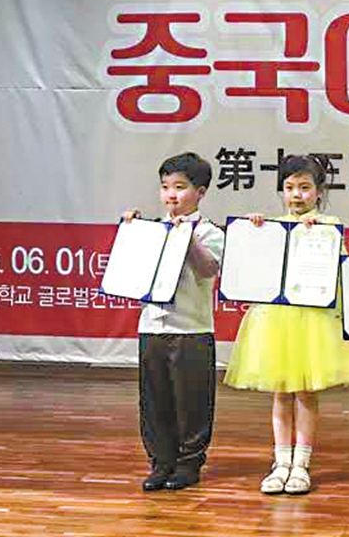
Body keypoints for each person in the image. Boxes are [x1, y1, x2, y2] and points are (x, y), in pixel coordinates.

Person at [223, 154, 349, 495]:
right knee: (280, 391)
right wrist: (254, 229)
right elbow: (254, 263)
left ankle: (301, 463)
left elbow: (341, 268)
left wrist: (320, 238)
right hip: (276, 319)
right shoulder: (271, 225)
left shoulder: (329, 224)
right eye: (289, 188)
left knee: (305, 391)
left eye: (305, 188)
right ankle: (280, 461)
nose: (296, 195)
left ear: (319, 191)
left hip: (312, 322)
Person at [124, 152, 224, 492]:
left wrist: (187, 237)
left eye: (180, 187)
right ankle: (160, 462)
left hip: (192, 330)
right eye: (165, 187)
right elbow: (130, 272)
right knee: (154, 400)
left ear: (201, 191)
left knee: (191, 401)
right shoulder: (151, 229)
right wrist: (131, 232)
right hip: (152, 327)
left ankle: (188, 462)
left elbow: (208, 269)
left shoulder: (209, 231)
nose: (171, 195)